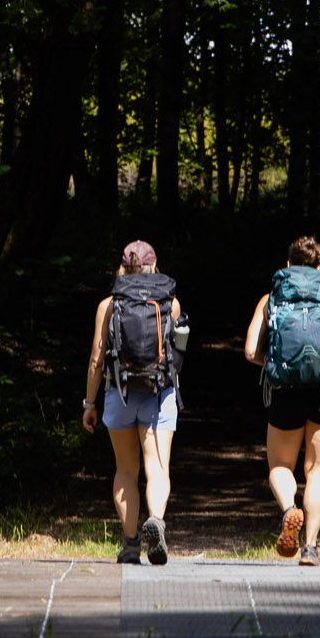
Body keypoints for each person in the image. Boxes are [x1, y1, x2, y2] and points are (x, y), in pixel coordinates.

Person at [243, 235, 320, 565]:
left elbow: (251, 350)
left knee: (280, 466)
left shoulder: (271, 300)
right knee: (317, 469)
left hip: (285, 392)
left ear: (287, 265)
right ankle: (310, 547)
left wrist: (273, 364)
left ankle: (288, 509)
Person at [82, 239, 183, 564]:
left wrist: (89, 403)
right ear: (154, 265)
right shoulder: (172, 303)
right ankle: (155, 519)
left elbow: (97, 358)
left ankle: (129, 545)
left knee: (125, 470)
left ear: (124, 267)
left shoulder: (108, 305)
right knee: (157, 467)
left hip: (119, 393)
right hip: (158, 392)